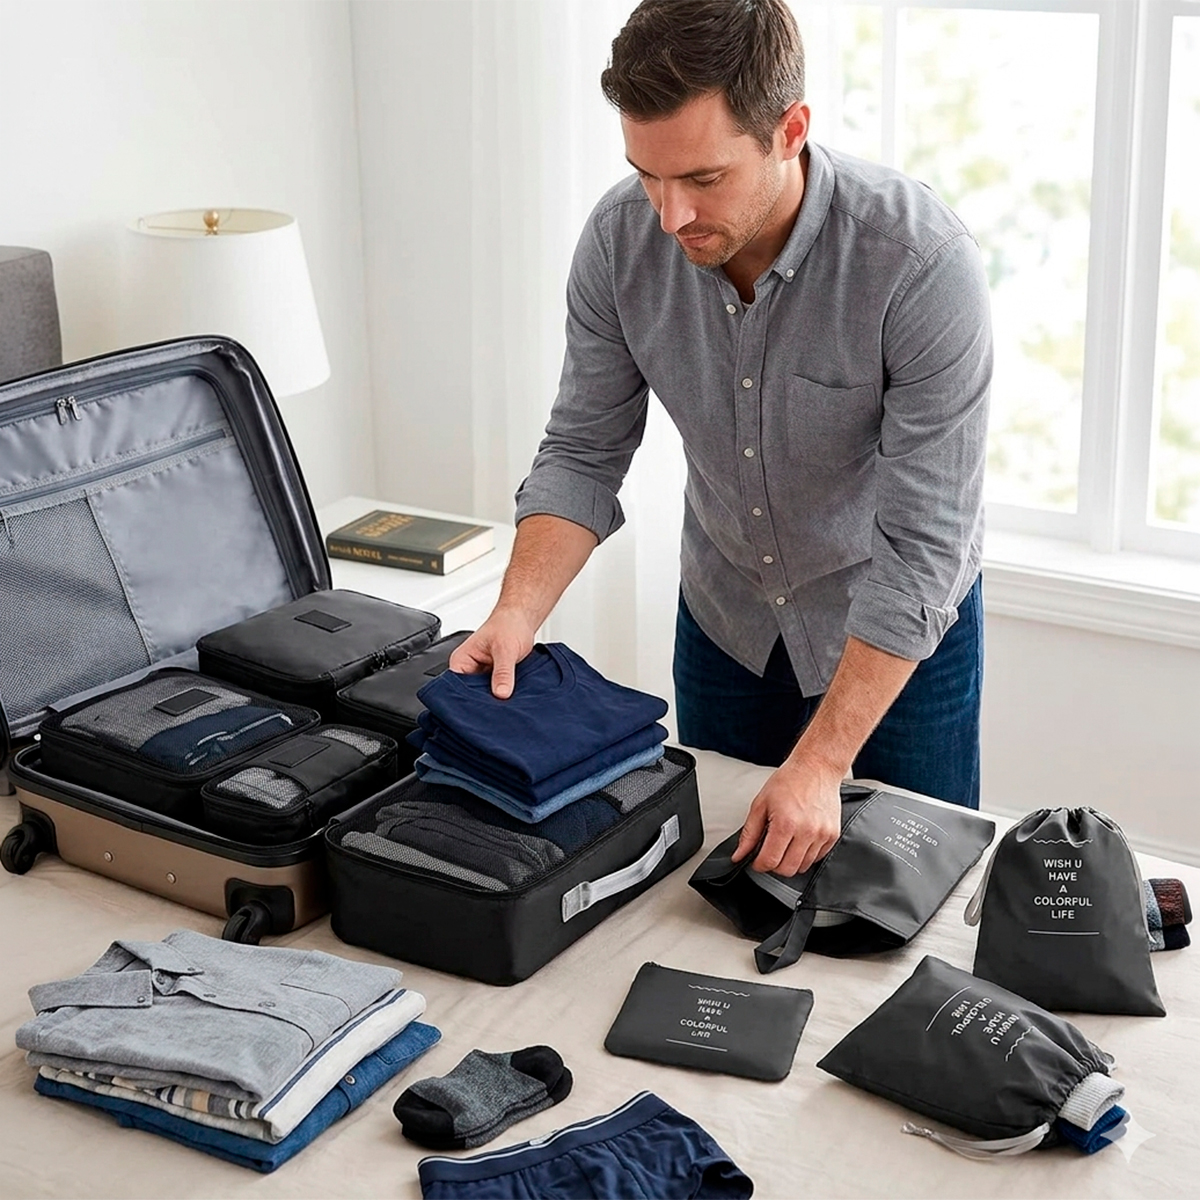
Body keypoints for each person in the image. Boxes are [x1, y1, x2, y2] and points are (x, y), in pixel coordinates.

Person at [449, 0, 991, 880]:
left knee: (905, 912)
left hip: (895, 639)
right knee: (718, 895)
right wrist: (517, 612)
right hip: (728, 626)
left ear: (790, 131)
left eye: (703, 178)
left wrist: (822, 762)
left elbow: (926, 545)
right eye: (648, 176)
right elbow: (583, 451)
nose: (670, 216)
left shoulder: (918, 264)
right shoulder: (619, 243)